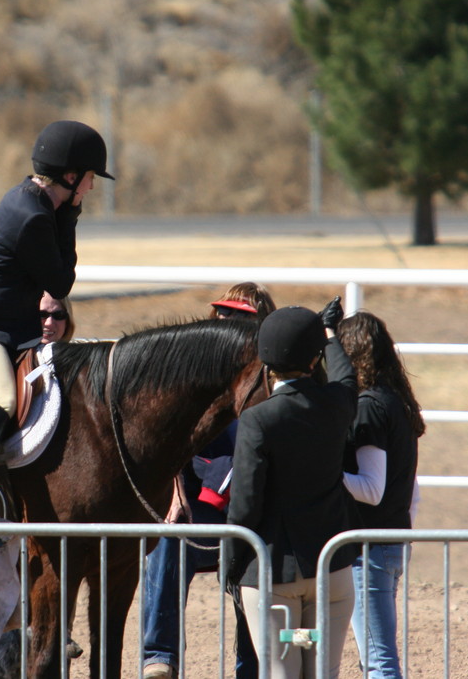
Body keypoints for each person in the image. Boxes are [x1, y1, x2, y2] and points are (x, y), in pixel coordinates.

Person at [0, 120, 113, 513]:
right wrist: (70, 217)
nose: (90, 187)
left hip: (12, 328)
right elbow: (61, 281)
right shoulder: (33, 215)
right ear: (70, 177)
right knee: (1, 398)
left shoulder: (36, 203)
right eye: (89, 179)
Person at [142, 282, 275, 679]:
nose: (228, 322)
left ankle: (250, 667)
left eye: (242, 317)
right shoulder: (190, 380)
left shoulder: (274, 383)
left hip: (250, 509)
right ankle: (158, 657)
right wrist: (175, 496)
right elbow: (167, 447)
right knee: (168, 539)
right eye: (224, 314)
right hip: (197, 503)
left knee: (259, 551)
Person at [226, 298, 359, 679]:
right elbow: (346, 378)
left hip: (274, 576)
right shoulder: (337, 404)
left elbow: (246, 502)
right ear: (314, 360)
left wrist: (233, 561)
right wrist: (330, 335)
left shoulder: (258, 420)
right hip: (330, 571)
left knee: (282, 671)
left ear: (267, 364)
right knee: (320, 669)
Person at [338, 311, 425, 679]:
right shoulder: (396, 402)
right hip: (392, 540)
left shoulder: (369, 407)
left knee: (378, 660)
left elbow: (371, 491)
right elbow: (412, 488)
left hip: (369, 548)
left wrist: (324, 473)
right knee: (376, 653)